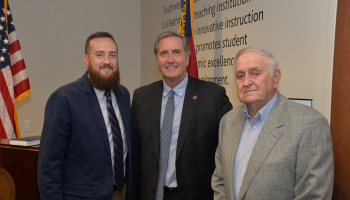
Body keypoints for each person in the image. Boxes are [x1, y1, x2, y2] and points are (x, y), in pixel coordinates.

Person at [211, 47, 334, 200]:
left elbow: (314, 195)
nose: (246, 82)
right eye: (240, 75)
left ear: (275, 77)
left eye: (255, 73)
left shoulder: (309, 124)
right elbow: (219, 182)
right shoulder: (227, 122)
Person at [131, 30, 232, 200]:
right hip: (152, 194)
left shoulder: (213, 95)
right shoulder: (141, 97)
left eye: (176, 52)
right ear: (157, 60)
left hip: (196, 195)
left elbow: (229, 148)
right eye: (164, 53)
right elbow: (135, 156)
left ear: (187, 58)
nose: (170, 59)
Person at [37, 32, 132, 200]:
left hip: (120, 194)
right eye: (99, 55)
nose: (107, 61)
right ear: (86, 60)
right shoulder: (64, 99)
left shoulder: (123, 95)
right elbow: (48, 166)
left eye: (112, 55)